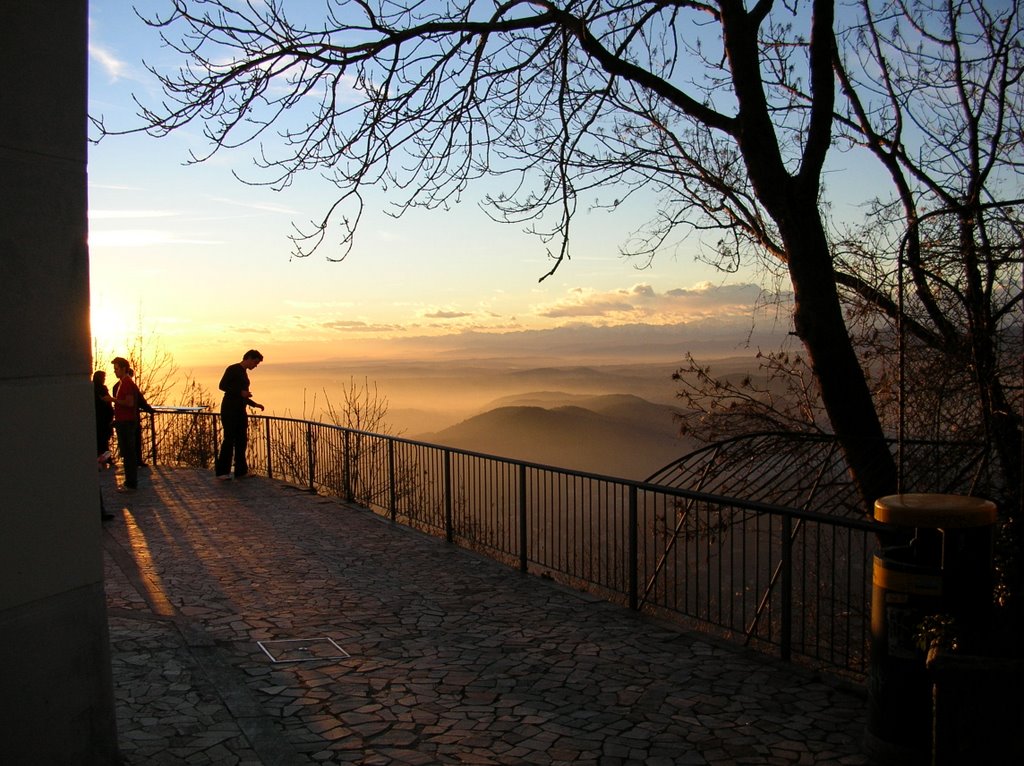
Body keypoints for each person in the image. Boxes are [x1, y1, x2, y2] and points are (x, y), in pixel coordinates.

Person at [215, 349, 265, 480]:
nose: (256, 365)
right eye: (255, 362)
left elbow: (242, 394)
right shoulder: (233, 369)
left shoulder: (243, 372)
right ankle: (222, 472)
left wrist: (254, 404)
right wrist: (240, 392)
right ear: (248, 358)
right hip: (230, 410)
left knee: (241, 441)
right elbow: (222, 386)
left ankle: (241, 471)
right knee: (229, 440)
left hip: (240, 410)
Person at [105, 357, 139, 492]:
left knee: (129, 453)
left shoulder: (126, 384)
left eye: (117, 369)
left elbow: (129, 403)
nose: (115, 371)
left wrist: (113, 399)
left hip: (126, 423)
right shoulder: (123, 383)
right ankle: (129, 482)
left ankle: (131, 483)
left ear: (124, 369)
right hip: (123, 422)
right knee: (127, 453)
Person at [93, 370, 114, 465]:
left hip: (97, 419)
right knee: (104, 441)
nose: (104, 379)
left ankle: (102, 459)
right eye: (103, 377)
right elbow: (108, 402)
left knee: (99, 441)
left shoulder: (91, 388)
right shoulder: (102, 389)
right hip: (103, 419)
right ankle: (106, 459)